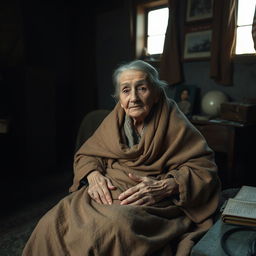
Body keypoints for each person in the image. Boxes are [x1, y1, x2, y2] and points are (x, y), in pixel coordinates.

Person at [22, 60, 221, 256]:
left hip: (150, 198)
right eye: (126, 90)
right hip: (104, 191)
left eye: (141, 88)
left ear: (156, 93)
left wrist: (166, 186)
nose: (133, 97)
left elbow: (204, 168)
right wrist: (92, 175)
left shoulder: (173, 120)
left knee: (113, 229)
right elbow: (88, 154)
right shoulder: (115, 119)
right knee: (52, 222)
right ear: (119, 97)